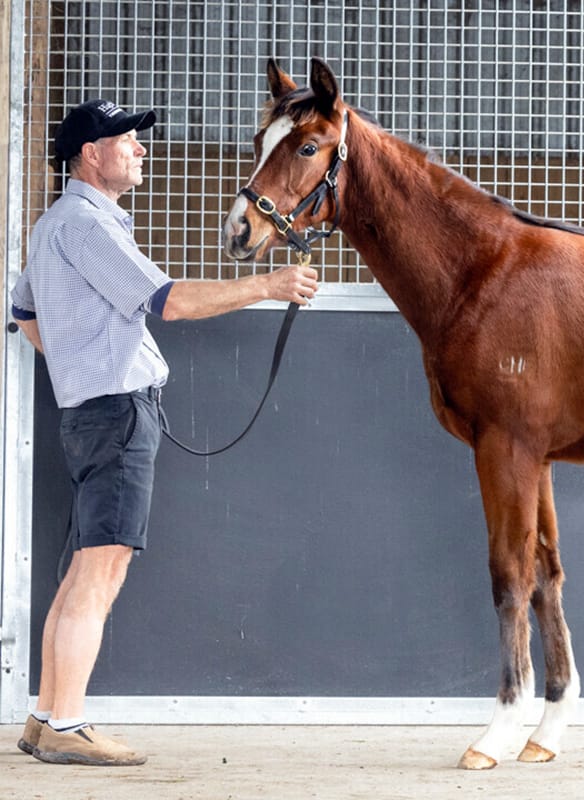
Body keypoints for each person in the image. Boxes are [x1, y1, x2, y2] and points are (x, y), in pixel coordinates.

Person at [10, 99, 319, 766]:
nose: (141, 149)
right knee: (102, 566)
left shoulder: (56, 223)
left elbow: (25, 312)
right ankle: (66, 724)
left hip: (94, 411)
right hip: (116, 413)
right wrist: (268, 283)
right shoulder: (88, 227)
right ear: (92, 154)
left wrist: (78, 362)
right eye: (128, 140)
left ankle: (44, 718)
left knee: (86, 565)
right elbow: (170, 302)